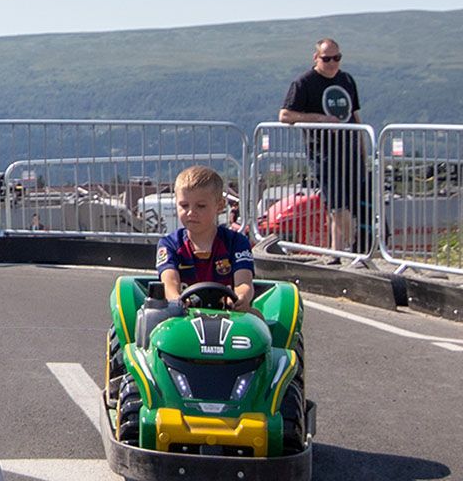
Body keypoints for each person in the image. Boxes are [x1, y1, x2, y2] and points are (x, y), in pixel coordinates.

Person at [279, 38, 365, 253]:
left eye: (337, 58)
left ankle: (336, 253)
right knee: (336, 204)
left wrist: (363, 146)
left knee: (348, 204)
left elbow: (355, 114)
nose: (332, 63)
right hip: (323, 152)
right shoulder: (304, 83)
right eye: (327, 59)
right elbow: (285, 115)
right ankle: (358, 246)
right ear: (316, 57)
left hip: (350, 150)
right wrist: (321, 119)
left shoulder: (346, 79)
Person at [156, 166, 255, 311]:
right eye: (184, 205)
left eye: (200, 206)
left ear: (219, 206)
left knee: (257, 317)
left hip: (229, 313)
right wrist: (176, 300)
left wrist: (240, 297)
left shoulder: (237, 242)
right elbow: (169, 281)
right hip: (184, 315)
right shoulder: (169, 244)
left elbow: (244, 282)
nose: (191, 212)